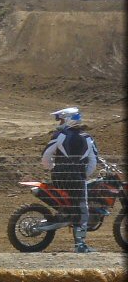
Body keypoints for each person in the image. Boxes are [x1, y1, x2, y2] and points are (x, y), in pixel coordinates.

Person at [41, 106, 99, 253]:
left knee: (72, 202)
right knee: (83, 209)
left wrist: (53, 168)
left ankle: (64, 214)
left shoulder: (59, 135)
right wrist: (83, 174)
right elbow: (93, 162)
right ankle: (80, 245)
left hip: (58, 176)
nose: (59, 122)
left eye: (60, 119)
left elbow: (46, 157)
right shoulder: (88, 138)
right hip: (77, 178)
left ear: (67, 119)